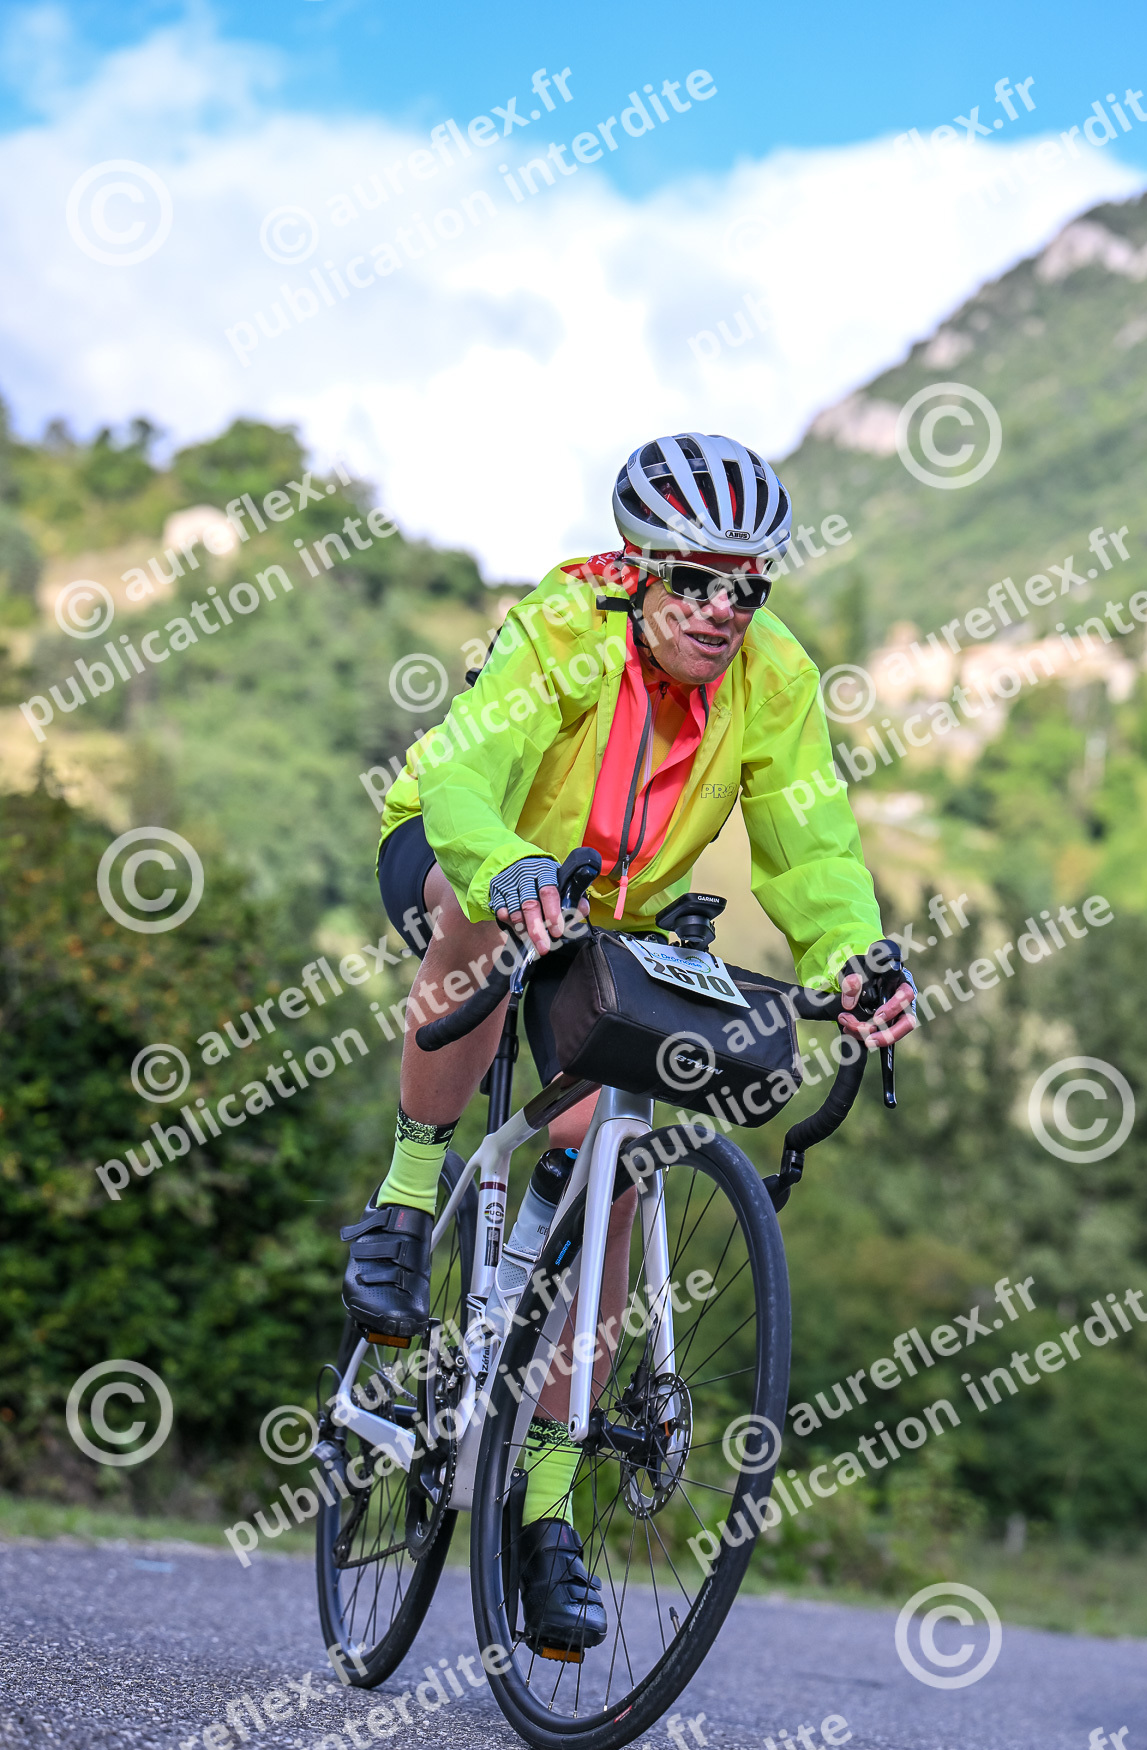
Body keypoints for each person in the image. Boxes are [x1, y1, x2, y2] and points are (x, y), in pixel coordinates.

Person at [339, 432, 917, 1649]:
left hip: (619, 915)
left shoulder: (773, 676)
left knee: (615, 1155)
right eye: (694, 582)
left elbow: (810, 848)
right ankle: (402, 1202)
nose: (721, 611)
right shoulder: (562, 625)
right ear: (638, 570)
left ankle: (544, 1511)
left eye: (745, 590)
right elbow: (466, 776)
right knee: (472, 920)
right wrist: (505, 868)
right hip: (473, 856)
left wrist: (851, 960)